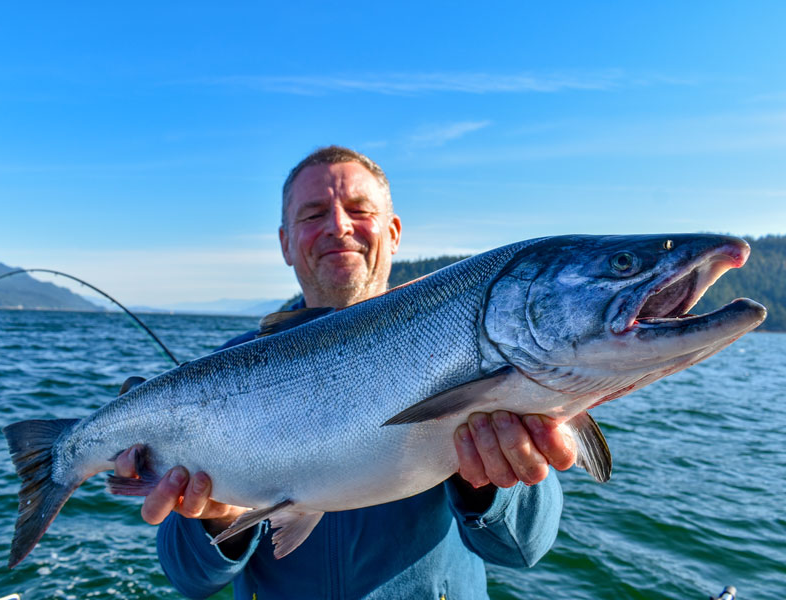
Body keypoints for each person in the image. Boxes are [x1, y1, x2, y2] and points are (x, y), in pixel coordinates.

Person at [115, 146, 576, 599]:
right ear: (285, 243)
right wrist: (219, 521)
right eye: (313, 215)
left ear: (394, 233)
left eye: (359, 210)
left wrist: (490, 482)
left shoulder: (473, 346)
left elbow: (524, 548)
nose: (338, 226)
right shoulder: (225, 374)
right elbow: (190, 580)